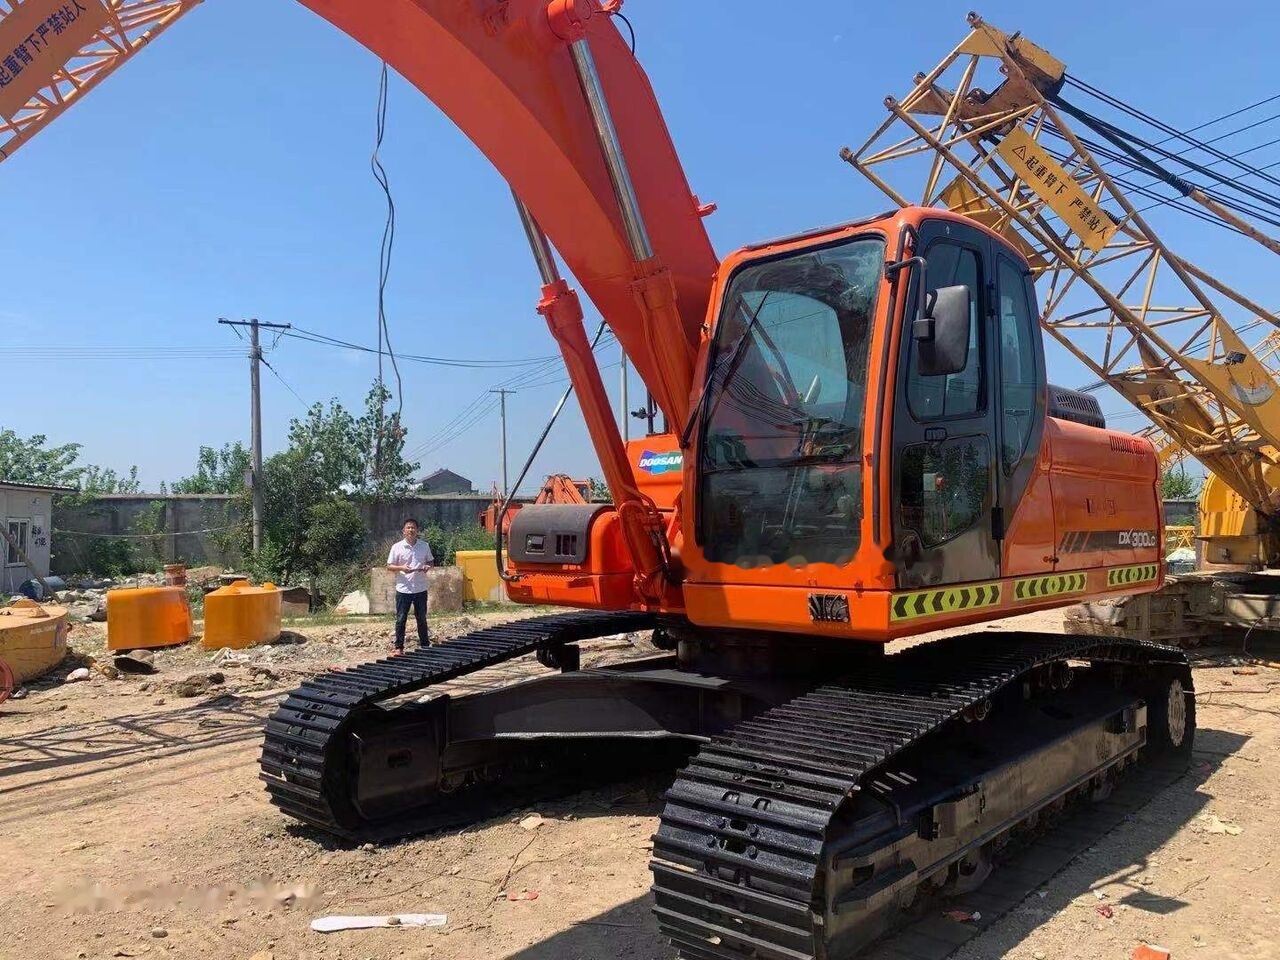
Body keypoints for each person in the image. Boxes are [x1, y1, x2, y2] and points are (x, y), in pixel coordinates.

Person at [386, 517, 434, 653]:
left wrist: (427, 566)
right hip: (403, 589)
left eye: (413, 528)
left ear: (417, 530)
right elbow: (389, 566)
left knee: (422, 619)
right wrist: (401, 567)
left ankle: (425, 645)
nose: (411, 530)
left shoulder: (424, 546)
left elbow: (431, 562)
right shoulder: (396, 547)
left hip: (420, 588)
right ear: (404, 531)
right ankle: (399, 647)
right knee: (401, 619)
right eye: (408, 528)